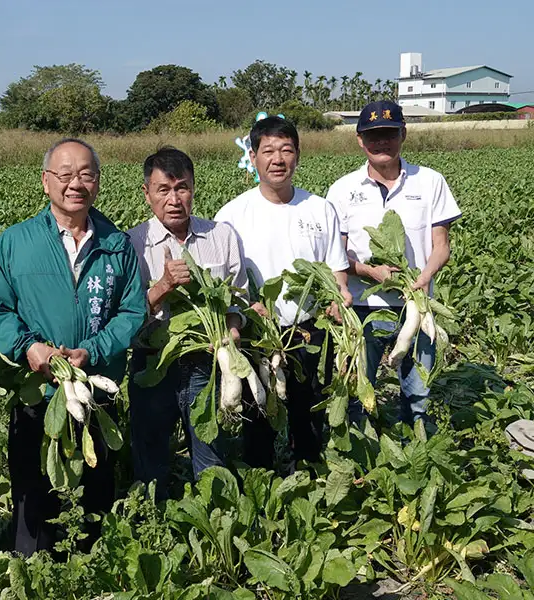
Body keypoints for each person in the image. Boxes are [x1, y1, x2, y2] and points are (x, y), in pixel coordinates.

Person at [0, 138, 147, 555]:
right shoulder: (15, 242)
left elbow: (132, 311)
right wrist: (28, 347)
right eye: (65, 174)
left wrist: (91, 349)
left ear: (98, 181)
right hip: (36, 388)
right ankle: (30, 570)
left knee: (96, 483)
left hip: (95, 387)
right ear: (45, 181)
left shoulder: (116, 243)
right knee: (33, 486)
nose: (76, 184)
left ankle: (92, 565)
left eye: (86, 174)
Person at [215, 116, 351, 469]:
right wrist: (246, 307)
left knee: (308, 410)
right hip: (255, 332)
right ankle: (262, 480)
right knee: (257, 411)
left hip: (308, 330)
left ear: (298, 156)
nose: (278, 159)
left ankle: (308, 472)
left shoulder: (320, 208)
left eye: (286, 150)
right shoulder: (232, 214)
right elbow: (224, 280)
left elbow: (336, 269)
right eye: (269, 151)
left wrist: (340, 298)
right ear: (253, 156)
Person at [326, 100, 461, 425]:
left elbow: (441, 246)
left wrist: (425, 276)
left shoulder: (430, 182)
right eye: (373, 135)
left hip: (415, 307)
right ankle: (360, 462)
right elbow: (335, 255)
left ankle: (414, 458)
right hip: (362, 307)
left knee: (418, 397)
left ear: (403, 134)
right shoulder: (343, 190)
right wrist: (370, 271)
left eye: (389, 133)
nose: (381, 142)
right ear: (360, 139)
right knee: (357, 395)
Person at [126, 147, 247, 501]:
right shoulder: (131, 244)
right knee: (151, 455)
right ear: (147, 194)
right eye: (163, 189)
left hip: (206, 364)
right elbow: (126, 314)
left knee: (212, 453)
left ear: (194, 189)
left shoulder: (221, 236)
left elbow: (237, 297)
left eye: (182, 187)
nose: (174, 199)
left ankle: (216, 520)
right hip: (153, 361)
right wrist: (163, 286)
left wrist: (232, 328)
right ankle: (154, 524)